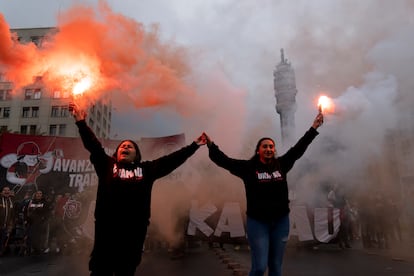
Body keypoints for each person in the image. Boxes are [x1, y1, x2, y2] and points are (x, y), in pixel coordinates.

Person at [70, 103, 206, 276]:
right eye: (122, 146)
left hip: (134, 230)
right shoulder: (106, 165)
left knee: (126, 269)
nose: (125, 147)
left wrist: (194, 145)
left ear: (137, 154)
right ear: (117, 153)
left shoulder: (147, 169)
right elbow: (93, 146)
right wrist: (81, 122)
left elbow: (171, 160)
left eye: (130, 146)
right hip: (107, 229)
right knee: (100, 269)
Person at [203, 112, 324, 276]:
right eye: (265, 146)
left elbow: (298, 148)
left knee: (275, 267)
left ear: (274, 150)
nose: (268, 149)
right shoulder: (248, 168)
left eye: (271, 146)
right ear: (258, 151)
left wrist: (314, 127)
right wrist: (211, 145)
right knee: (259, 267)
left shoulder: (282, 164)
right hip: (258, 223)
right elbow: (225, 161)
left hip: (281, 222)